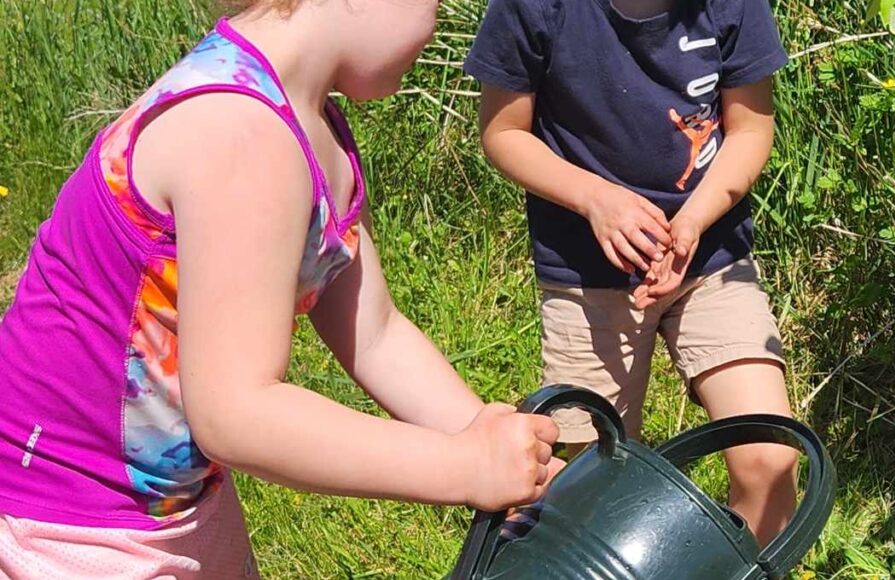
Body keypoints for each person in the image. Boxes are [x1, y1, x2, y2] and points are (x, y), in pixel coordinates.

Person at [0, 1, 558, 577]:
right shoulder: (239, 132)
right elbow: (238, 414)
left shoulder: (307, 123)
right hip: (65, 518)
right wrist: (463, 467)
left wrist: (502, 450)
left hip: (170, 501)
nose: (438, 20)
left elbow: (375, 334)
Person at [466, 0, 798, 544]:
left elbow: (750, 130)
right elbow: (503, 132)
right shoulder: (536, 8)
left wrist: (693, 221)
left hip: (710, 259)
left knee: (771, 457)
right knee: (594, 487)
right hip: (585, 274)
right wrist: (595, 199)